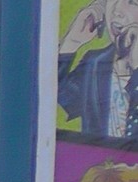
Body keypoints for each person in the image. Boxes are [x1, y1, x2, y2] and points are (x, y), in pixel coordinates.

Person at [58, 0, 138, 138]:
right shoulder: (95, 62)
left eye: (133, 3)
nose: (116, 11)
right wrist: (71, 42)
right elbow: (59, 98)